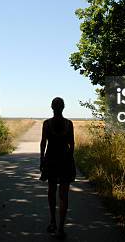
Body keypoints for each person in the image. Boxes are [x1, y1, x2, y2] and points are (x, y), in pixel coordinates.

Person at [39, 97, 76, 239]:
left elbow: (43, 143)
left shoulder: (47, 124)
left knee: (52, 191)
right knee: (64, 195)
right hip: (65, 160)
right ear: (63, 107)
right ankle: (61, 228)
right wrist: (70, 159)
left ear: (52, 107)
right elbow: (72, 144)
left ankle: (53, 222)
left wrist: (41, 159)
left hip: (51, 160)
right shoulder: (69, 124)